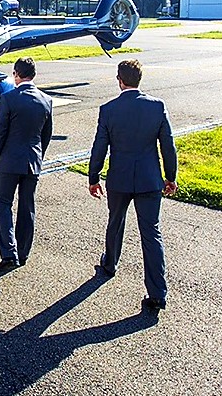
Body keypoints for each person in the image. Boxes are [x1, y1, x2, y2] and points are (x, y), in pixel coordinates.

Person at [88, 59, 178, 312]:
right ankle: (158, 291)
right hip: (149, 178)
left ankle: (110, 264)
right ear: (140, 79)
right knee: (151, 233)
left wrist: (93, 176)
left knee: (115, 222)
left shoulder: (108, 109)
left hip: (120, 177)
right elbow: (168, 146)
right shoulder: (157, 107)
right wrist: (170, 176)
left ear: (120, 80)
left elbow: (100, 147)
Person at [0, 57, 53, 273]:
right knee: (27, 207)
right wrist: (38, 156)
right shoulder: (46, 100)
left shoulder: (9, 98)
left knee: (3, 202)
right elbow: (46, 135)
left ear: (16, 74)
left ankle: (9, 252)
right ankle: (23, 252)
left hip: (9, 160)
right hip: (32, 161)